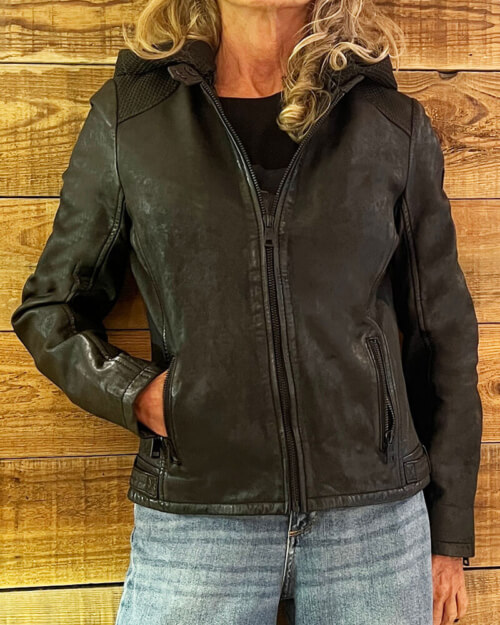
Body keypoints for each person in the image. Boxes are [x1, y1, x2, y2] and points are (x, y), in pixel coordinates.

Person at [10, 0, 482, 623]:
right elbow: (52, 308)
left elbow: (442, 334)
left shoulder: (389, 124)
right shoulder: (133, 117)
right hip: (199, 518)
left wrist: (448, 533)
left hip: (372, 524)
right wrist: (138, 394)